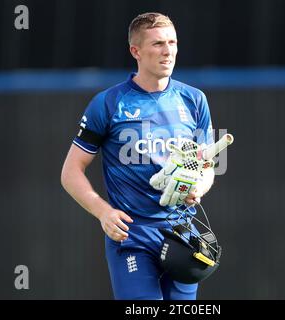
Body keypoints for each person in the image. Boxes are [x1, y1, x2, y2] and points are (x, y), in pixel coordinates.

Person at [61, 12, 215, 300]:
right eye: (157, 44)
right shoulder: (108, 103)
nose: (168, 51)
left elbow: (206, 164)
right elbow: (70, 172)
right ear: (136, 51)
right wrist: (102, 211)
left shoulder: (194, 100)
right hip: (131, 235)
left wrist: (199, 186)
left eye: (172, 42)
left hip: (181, 232)